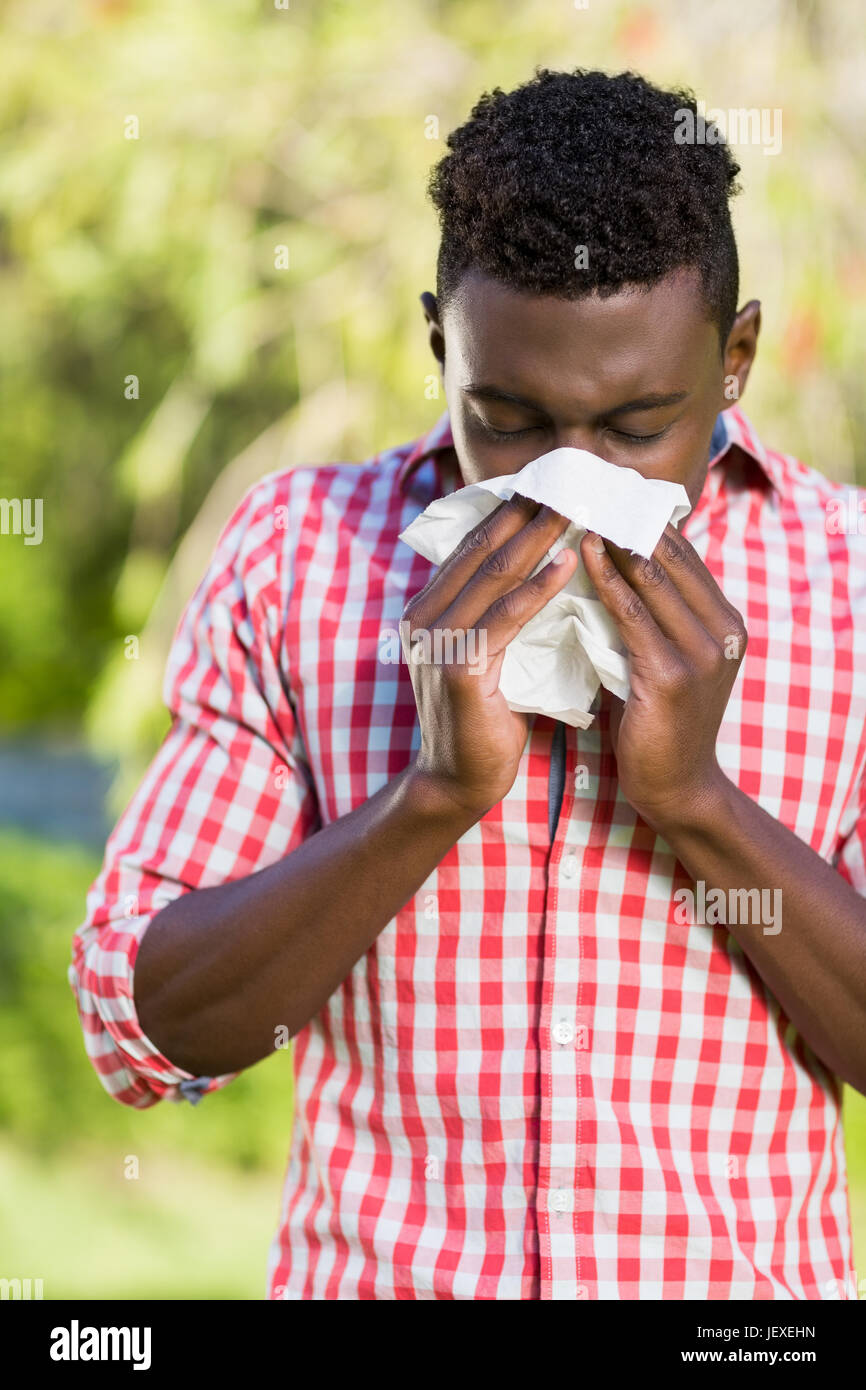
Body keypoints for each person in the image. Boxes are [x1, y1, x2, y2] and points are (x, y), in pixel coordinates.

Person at [70, 67, 866, 1300]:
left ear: (734, 359)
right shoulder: (301, 553)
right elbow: (142, 1029)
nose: (564, 485)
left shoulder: (849, 581)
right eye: (506, 419)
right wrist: (431, 797)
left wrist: (698, 799)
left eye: (637, 424)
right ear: (440, 345)